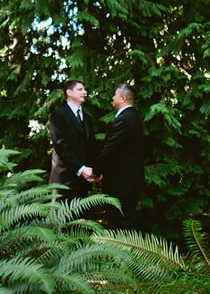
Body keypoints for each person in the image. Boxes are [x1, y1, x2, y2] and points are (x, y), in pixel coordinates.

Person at [94, 83, 146, 229]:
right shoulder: (132, 116)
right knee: (123, 219)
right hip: (127, 181)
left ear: (122, 98)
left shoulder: (124, 119)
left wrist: (97, 171)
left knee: (122, 222)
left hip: (123, 182)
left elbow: (110, 148)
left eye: (115, 95)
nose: (112, 97)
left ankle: (123, 251)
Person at [48, 79, 97, 202]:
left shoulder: (87, 118)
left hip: (83, 182)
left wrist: (95, 171)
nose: (84, 92)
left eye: (84, 89)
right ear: (69, 92)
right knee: (60, 219)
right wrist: (80, 169)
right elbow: (60, 146)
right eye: (80, 89)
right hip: (63, 180)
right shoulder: (58, 115)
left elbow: (91, 147)